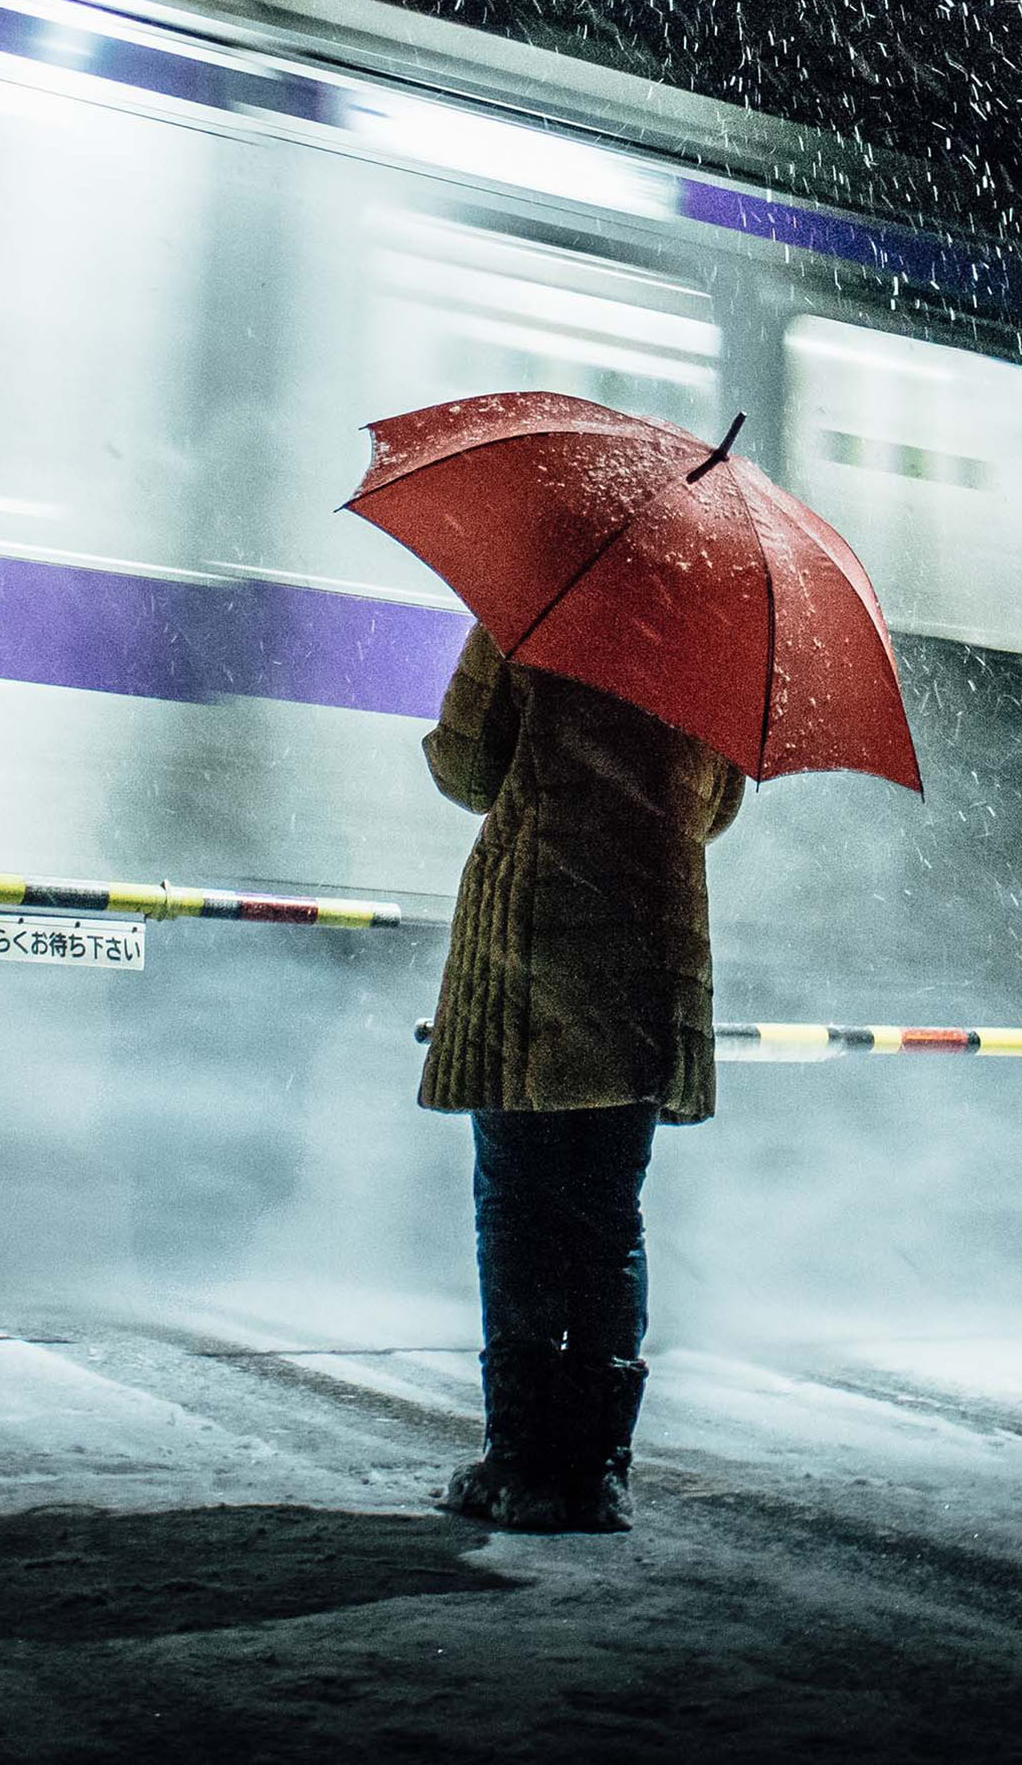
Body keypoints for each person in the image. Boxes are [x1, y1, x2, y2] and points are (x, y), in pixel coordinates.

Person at [415, 618, 745, 1533]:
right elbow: (714, 812)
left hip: (533, 950)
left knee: (516, 1206)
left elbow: (466, 772)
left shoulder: (535, 609)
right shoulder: (714, 644)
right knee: (608, 1217)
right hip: (651, 950)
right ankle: (599, 1470)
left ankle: (518, 1461)